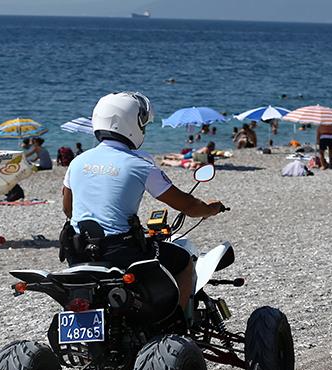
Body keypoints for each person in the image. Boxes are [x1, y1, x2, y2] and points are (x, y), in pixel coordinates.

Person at [62, 91, 224, 314]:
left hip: (79, 251)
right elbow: (187, 206)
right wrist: (212, 209)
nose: (144, 130)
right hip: (121, 251)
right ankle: (176, 321)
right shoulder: (139, 164)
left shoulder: (77, 162)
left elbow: (67, 209)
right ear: (130, 124)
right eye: (143, 125)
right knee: (183, 260)